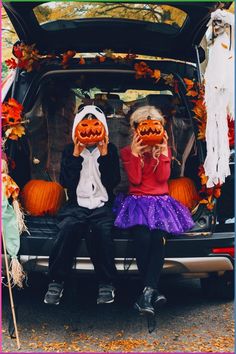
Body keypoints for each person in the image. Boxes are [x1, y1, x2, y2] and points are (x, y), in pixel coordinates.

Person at [114, 105, 194, 316]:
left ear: (161, 128)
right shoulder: (126, 152)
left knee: (158, 238)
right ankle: (151, 290)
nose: (150, 130)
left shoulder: (164, 151)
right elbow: (136, 180)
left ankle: (147, 291)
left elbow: (161, 179)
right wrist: (135, 154)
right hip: (137, 202)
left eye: (155, 126)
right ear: (135, 129)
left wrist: (164, 150)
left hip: (160, 202)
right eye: (144, 126)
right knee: (142, 238)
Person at [44, 105, 120, 306]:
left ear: (103, 127)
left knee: (102, 231)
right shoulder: (70, 151)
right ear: (77, 128)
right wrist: (76, 156)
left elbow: (113, 181)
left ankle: (106, 282)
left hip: (102, 204)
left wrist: (104, 156)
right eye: (84, 125)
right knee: (68, 228)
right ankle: (56, 280)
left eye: (95, 125)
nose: (90, 130)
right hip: (76, 204)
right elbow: (66, 182)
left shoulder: (110, 150)